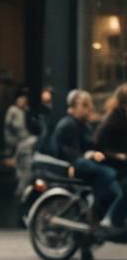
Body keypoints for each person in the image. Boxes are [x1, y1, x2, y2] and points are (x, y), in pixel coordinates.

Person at [53, 89, 127, 232]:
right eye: (85, 105)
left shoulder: (84, 125)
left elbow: (92, 145)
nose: (90, 108)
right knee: (108, 173)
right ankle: (107, 217)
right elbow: (68, 151)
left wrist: (96, 153)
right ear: (73, 107)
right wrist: (86, 156)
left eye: (89, 104)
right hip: (75, 164)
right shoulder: (68, 124)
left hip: (84, 162)